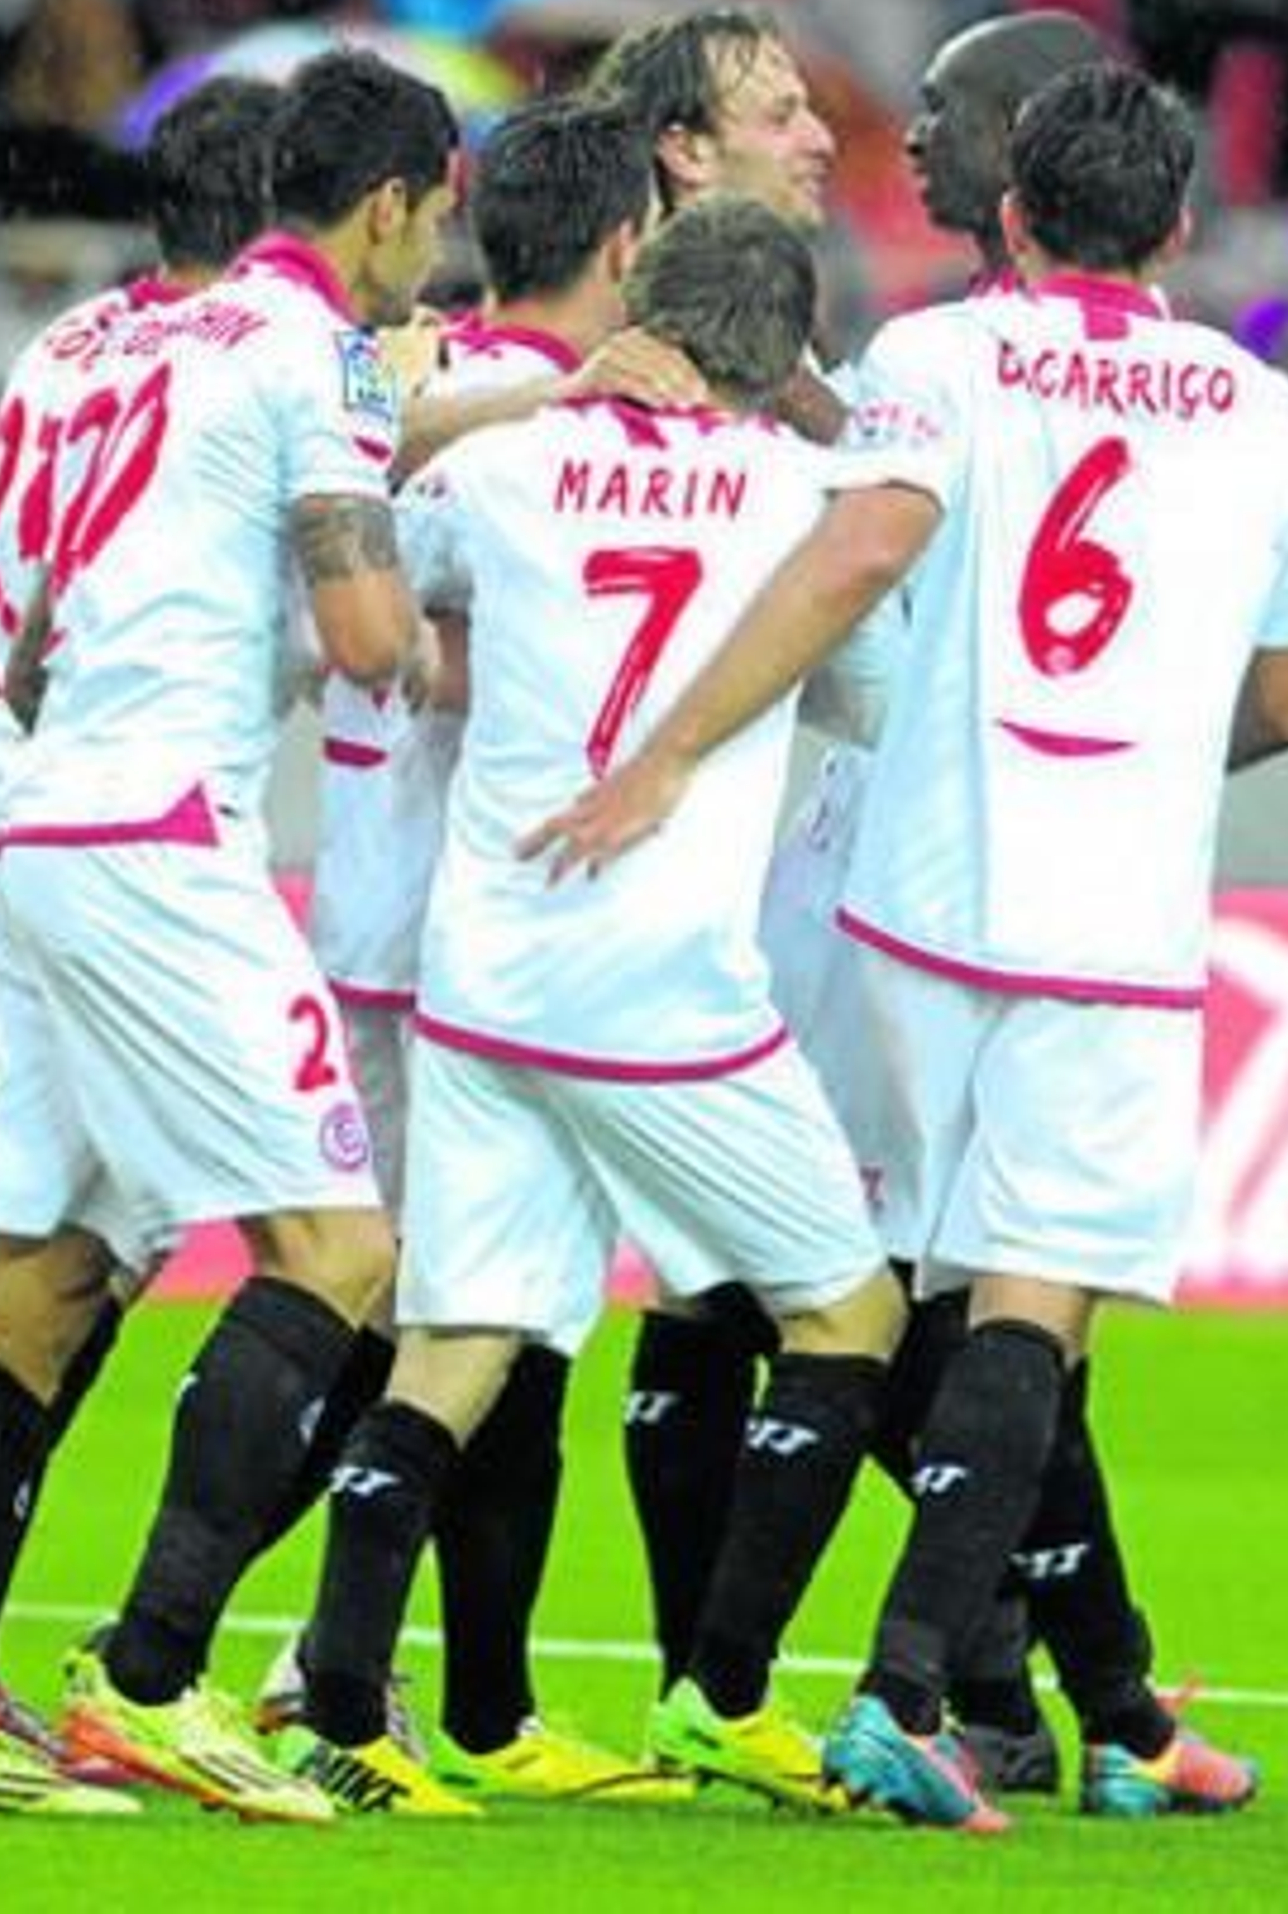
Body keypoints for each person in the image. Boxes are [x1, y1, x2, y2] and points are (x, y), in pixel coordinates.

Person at [525, 63, 1288, 1830]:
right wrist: (1138, 746)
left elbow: (857, 558)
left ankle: (1092, 1710)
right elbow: (1287, 702)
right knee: (1032, 1313)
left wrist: (668, 750)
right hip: (1108, 921)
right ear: (1180, 228)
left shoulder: (939, 357)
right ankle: (915, 1694)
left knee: (895, 1302)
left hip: (907, 908)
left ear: (1016, 219)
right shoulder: (1262, 407)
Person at [0, 47, 460, 1824]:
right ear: (385, 207)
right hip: (159, 839)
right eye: (437, 214)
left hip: (23, 818)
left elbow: (45, 631)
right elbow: (365, 641)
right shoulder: (313, 350)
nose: (435, 251)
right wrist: (432, 637)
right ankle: (151, 1675)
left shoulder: (96, 344)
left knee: (41, 1282)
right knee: (340, 1250)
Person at [285, 195, 908, 1822]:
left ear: (641, 302)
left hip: (485, 974)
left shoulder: (503, 466)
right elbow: (872, 697)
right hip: (662, 993)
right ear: (781, 349)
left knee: (456, 1342)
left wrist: (497, 437)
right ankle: (723, 1693)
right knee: (849, 1315)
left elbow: (348, 536)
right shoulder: (797, 497)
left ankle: (340, 1704)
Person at [258, 94, 690, 1801]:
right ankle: (259, 1651)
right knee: (467, 1330)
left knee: (438, 1324)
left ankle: (430, 1689)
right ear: (626, 245)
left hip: (387, 916)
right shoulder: (534, 424)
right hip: (473, 932)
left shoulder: (403, 385)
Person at [0, 73, 283, 1784]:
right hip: (85, 834)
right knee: (58, 1276)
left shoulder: (71, 344)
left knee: (72, 1266)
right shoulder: (253, 359)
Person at [759, 7, 1107, 1795]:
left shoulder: (960, 357)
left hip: (927, 871)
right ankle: (1048, 1685)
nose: (911, 136)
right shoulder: (1134, 371)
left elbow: (890, 542)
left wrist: (786, 391)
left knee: (911, 1289)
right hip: (922, 859)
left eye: (947, 110)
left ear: (1035, 140)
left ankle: (1000, 1678)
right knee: (970, 1291)